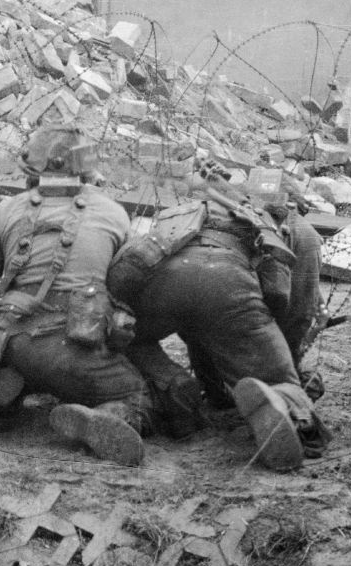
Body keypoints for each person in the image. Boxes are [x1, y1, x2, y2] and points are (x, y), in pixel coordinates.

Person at [0, 125, 156, 466]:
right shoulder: (114, 214)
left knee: (19, 370)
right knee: (135, 393)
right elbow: (124, 287)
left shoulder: (2, 212)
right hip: (75, 348)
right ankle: (108, 415)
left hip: (5, 344)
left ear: (35, 168)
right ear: (86, 169)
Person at [117, 178, 331, 473]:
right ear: (294, 206)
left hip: (160, 282)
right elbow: (292, 309)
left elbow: (198, 326)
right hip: (226, 284)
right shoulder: (299, 231)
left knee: (131, 340)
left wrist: (216, 389)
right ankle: (295, 420)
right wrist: (285, 361)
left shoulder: (197, 208)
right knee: (278, 380)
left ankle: (174, 388)